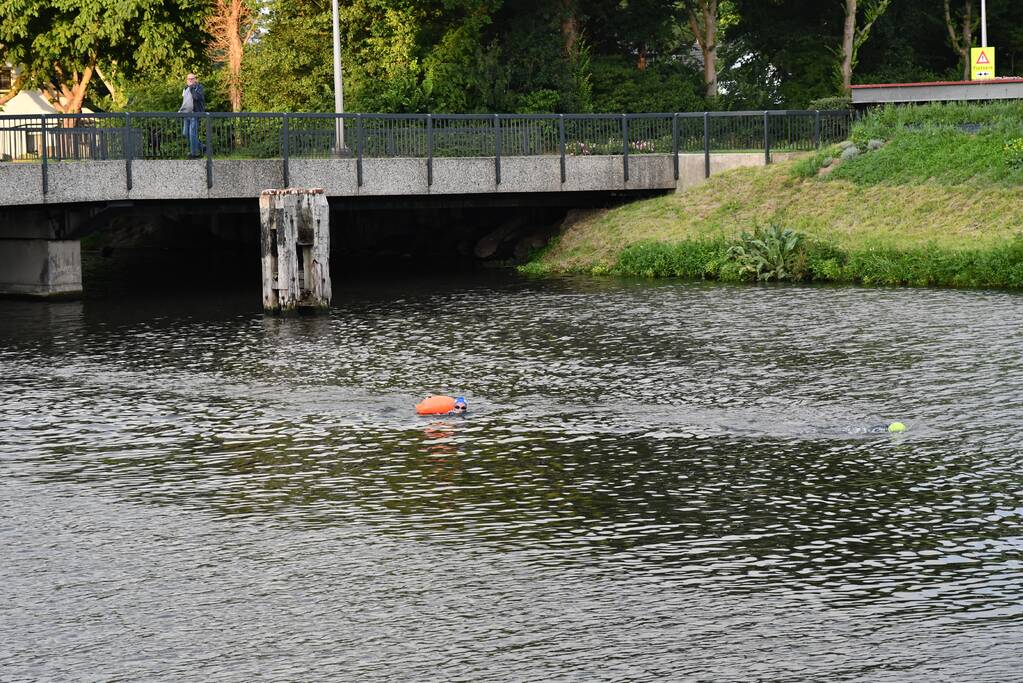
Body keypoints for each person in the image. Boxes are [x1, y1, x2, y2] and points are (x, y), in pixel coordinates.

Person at [178, 73, 206, 158]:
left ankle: (194, 153)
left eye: (192, 79)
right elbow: (185, 101)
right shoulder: (185, 88)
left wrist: (191, 88)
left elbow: (196, 97)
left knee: (192, 133)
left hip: (195, 113)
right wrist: (180, 110)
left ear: (195, 79)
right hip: (187, 114)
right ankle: (202, 147)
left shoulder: (199, 87)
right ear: (186, 80)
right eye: (188, 79)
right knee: (185, 133)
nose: (190, 80)